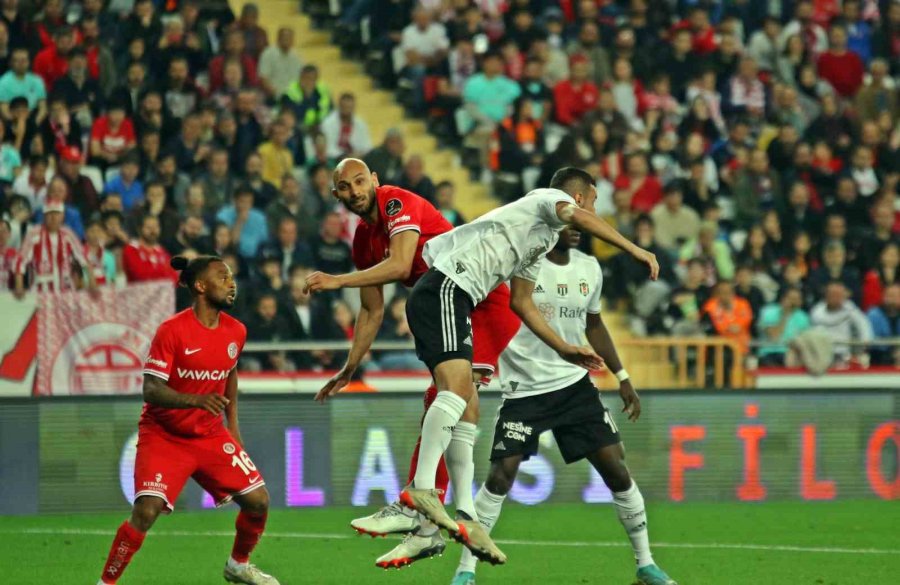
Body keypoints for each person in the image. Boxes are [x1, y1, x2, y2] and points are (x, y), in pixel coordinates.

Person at [378, 167, 657, 565]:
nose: (592, 211)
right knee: (461, 403)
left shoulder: (539, 244)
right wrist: (636, 249)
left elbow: (521, 303)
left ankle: (449, 516)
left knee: (462, 396)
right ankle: (422, 493)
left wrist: (565, 348)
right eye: (592, 202)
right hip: (454, 295)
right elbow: (578, 216)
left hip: (568, 382)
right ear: (577, 199)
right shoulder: (543, 200)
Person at [304, 158, 522, 568]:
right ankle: (454, 518)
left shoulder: (394, 203)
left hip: (479, 301)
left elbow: (403, 265)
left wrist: (336, 280)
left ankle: (418, 509)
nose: (354, 192)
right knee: (460, 400)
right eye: (344, 188)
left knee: (446, 396)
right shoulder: (363, 240)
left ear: (374, 179)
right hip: (450, 303)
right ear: (336, 197)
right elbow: (371, 312)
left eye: (359, 181)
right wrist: (351, 365)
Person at [450, 226, 675, 585]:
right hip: (524, 392)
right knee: (499, 477)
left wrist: (623, 375)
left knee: (617, 470)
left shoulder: (589, 267)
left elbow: (595, 324)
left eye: (582, 223)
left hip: (574, 388)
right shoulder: (517, 267)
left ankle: (645, 565)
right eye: (570, 221)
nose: (576, 230)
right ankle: (465, 571)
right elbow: (486, 314)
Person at [96, 255, 279, 585]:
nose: (231, 283)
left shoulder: (236, 331)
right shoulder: (172, 331)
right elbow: (151, 389)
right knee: (146, 511)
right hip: (164, 434)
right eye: (222, 277)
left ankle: (238, 564)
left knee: (258, 501)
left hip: (209, 433)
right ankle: (105, 583)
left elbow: (230, 374)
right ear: (200, 286)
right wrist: (196, 400)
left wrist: (232, 426)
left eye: (231, 277)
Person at [14, 199, 93, 296]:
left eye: (56, 214)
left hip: (65, 289)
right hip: (40, 289)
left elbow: (84, 258)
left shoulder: (68, 233)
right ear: (44, 216)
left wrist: (92, 281)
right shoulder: (33, 234)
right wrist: (19, 286)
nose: (53, 217)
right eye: (49, 214)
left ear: (62, 216)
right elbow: (20, 261)